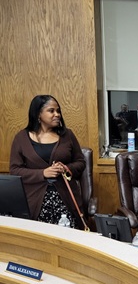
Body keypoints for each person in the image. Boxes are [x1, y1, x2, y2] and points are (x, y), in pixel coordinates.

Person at [10, 94, 86, 228]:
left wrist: (66, 168)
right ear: (38, 114)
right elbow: (15, 170)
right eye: (51, 111)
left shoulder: (67, 135)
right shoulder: (21, 138)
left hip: (66, 199)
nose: (57, 114)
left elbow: (80, 162)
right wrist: (42, 173)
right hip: (34, 200)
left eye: (58, 111)